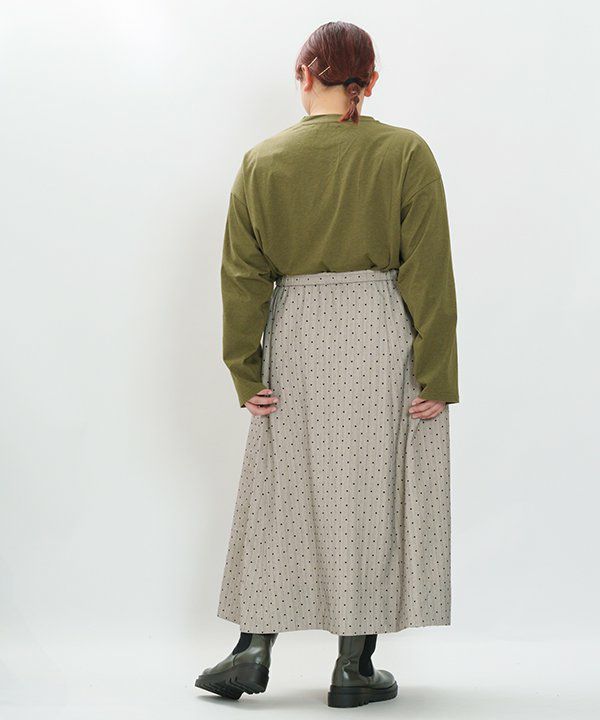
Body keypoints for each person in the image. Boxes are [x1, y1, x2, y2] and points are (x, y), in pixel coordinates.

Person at [195, 20, 459, 708]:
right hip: (379, 333)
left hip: (297, 335)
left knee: (280, 488)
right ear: (371, 81)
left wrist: (245, 370)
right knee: (369, 493)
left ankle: (253, 649)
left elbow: (242, 276)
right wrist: (437, 371)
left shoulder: (262, 161)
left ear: (303, 74)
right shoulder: (404, 152)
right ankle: (353, 666)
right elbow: (429, 269)